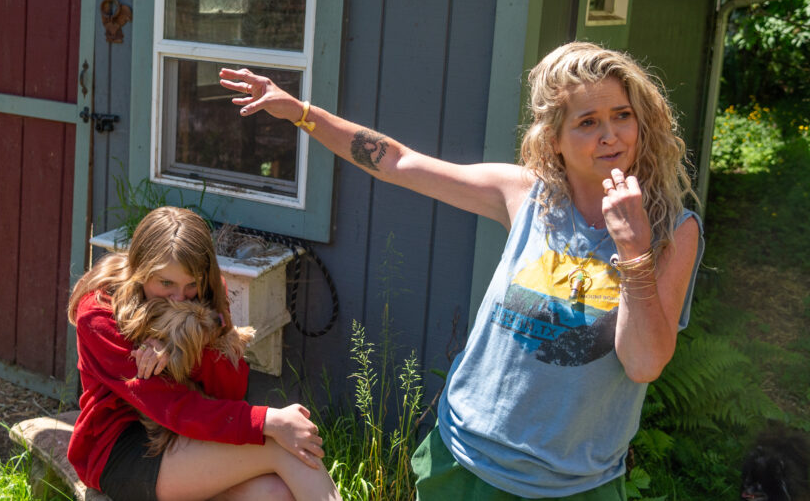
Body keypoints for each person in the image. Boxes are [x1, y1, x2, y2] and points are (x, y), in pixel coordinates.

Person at [220, 42, 704, 500]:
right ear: (554, 139)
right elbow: (400, 162)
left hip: (574, 483)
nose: (610, 135)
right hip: (465, 461)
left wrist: (634, 250)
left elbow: (644, 363)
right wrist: (300, 112)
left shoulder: (671, 231)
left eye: (622, 116)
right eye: (588, 122)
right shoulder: (527, 196)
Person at [67, 206, 341, 501]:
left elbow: (231, 389)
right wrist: (267, 421)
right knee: (280, 447)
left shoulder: (208, 292)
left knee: (273, 493)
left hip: (189, 436)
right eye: (166, 283)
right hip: (124, 450)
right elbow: (170, 406)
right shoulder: (99, 312)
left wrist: (184, 347)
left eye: (191, 285)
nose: (179, 298)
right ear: (140, 272)